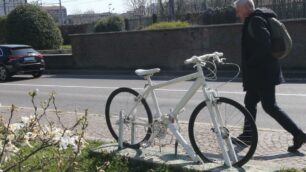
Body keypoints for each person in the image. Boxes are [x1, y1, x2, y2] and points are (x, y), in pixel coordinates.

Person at [234, 0, 306, 152]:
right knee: (250, 102)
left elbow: (264, 45)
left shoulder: (255, 20)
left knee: (270, 106)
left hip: (262, 73)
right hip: (261, 73)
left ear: (247, 8)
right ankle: (248, 135)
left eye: (238, 10)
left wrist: (251, 62)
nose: (237, 13)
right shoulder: (257, 19)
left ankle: (298, 134)